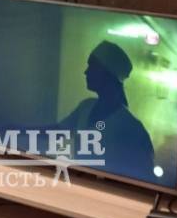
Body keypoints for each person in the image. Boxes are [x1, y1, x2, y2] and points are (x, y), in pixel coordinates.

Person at [59, 40, 155, 182]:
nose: (86, 71)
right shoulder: (86, 107)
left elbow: (145, 179)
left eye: (92, 66)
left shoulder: (132, 128)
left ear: (107, 73)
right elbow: (58, 130)